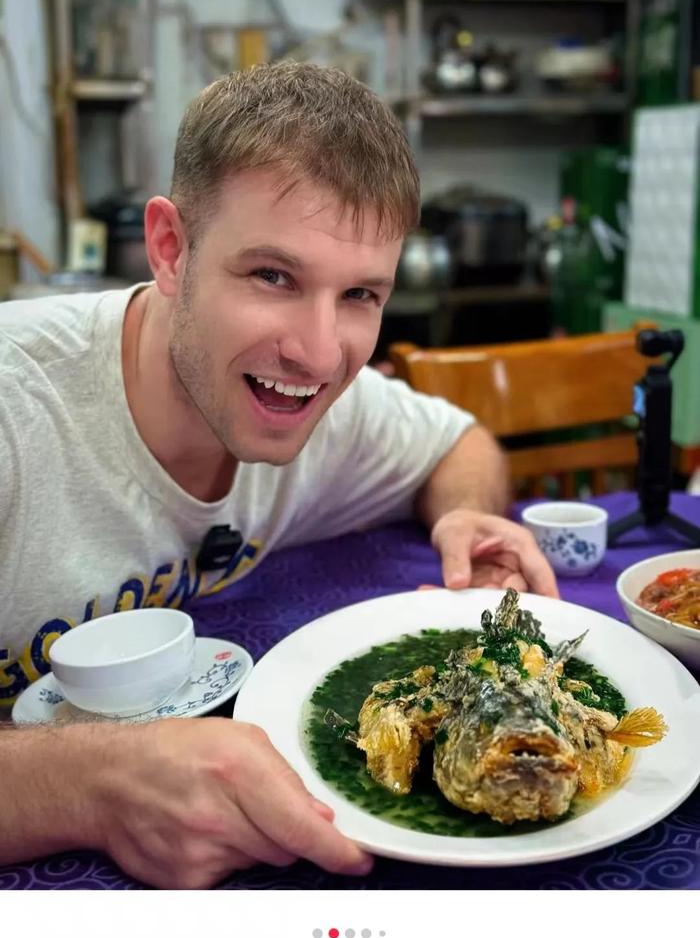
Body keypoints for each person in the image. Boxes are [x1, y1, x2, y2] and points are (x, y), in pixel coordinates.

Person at [0, 62, 557, 888]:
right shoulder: (19, 415)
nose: (320, 353)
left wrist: (462, 517)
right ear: (171, 249)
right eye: (273, 277)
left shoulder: (321, 400)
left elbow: (459, 443)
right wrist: (89, 786)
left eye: (361, 294)